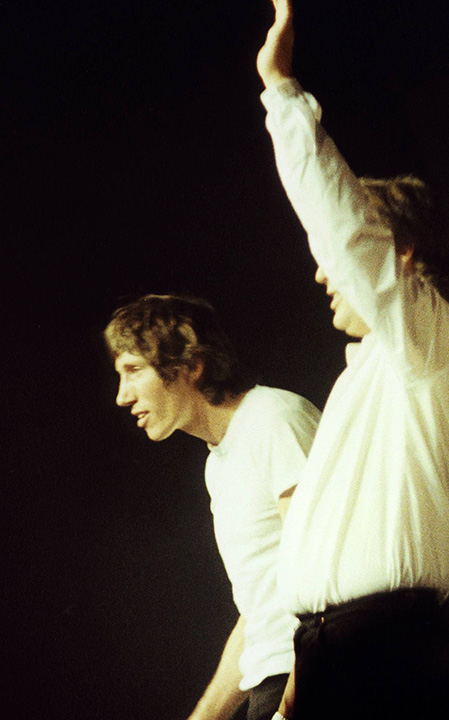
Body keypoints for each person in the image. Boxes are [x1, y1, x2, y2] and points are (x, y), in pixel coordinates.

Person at [253, 1, 449, 718]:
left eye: (338, 259)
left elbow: (348, 237)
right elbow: (324, 555)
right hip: (329, 656)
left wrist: (282, 93)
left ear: (402, 256)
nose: (322, 273)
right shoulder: (365, 380)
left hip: (389, 655)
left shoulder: (442, 350)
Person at [105, 294, 320, 720]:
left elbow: (323, 579)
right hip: (275, 684)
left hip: (313, 680)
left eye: (133, 370)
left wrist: (288, 708)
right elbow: (260, 613)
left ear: (191, 365)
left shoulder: (273, 419)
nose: (122, 396)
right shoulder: (218, 464)